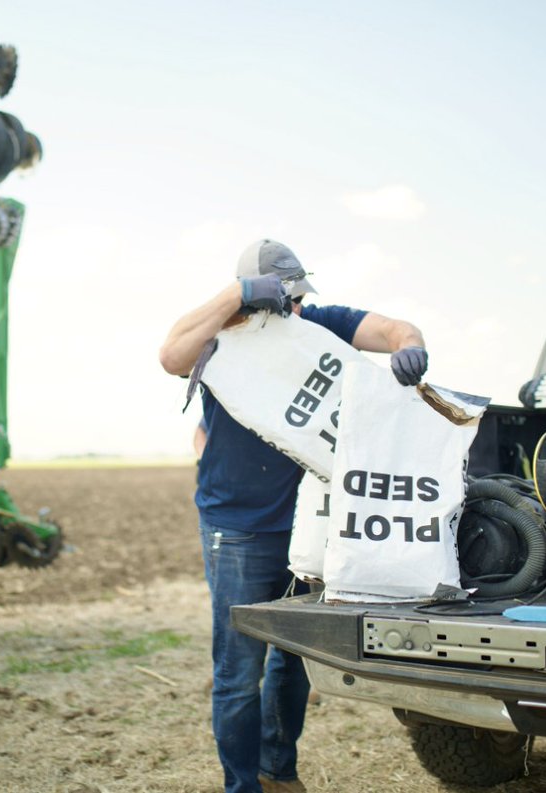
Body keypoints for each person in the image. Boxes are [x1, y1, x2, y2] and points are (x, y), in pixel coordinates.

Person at [158, 239, 427, 793]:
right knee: (239, 671)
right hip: (238, 529)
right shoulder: (221, 338)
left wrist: (409, 348)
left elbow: (395, 328)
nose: (296, 309)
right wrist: (238, 294)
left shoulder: (319, 326)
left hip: (310, 526)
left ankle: (279, 772)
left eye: (299, 296)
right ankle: (243, 786)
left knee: (293, 661)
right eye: (284, 299)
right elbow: (170, 356)